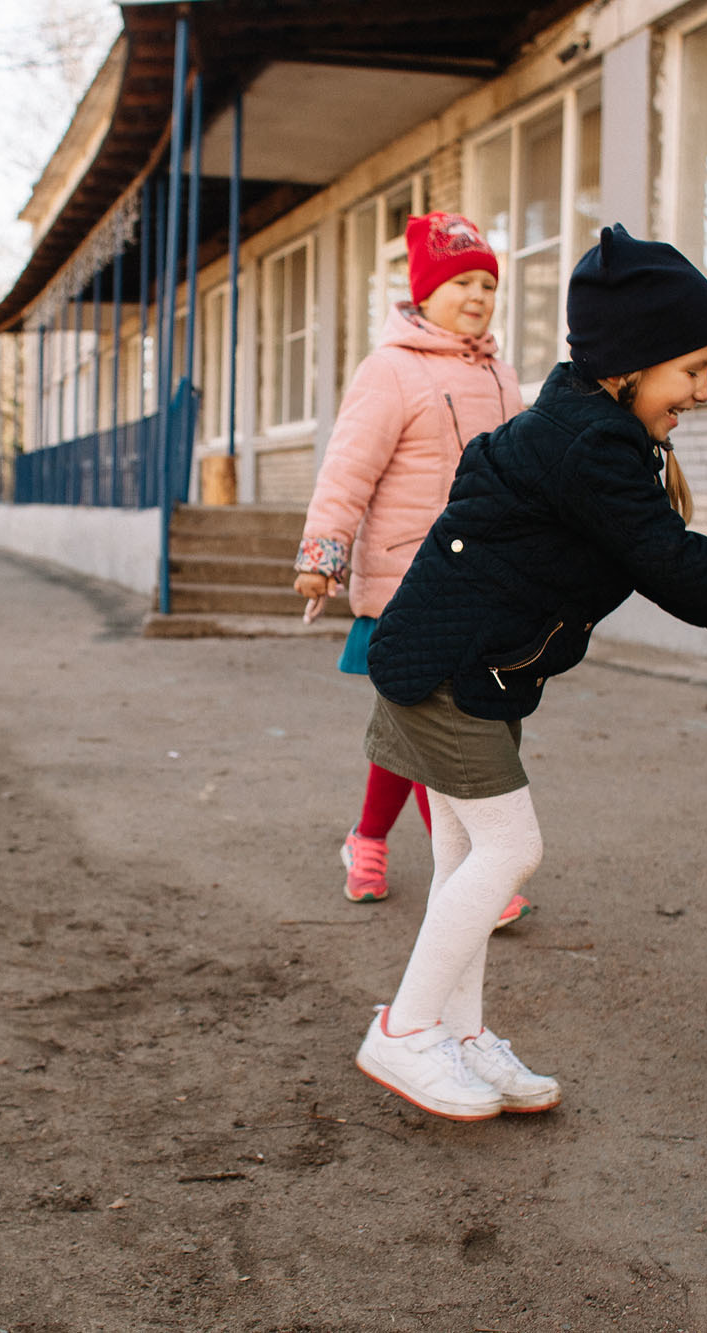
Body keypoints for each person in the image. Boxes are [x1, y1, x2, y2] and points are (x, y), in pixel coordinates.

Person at [353, 225, 707, 1121]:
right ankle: (406, 1028)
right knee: (510, 848)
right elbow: (676, 564)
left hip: (471, 668)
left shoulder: (588, 426)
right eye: (690, 369)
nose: (701, 388)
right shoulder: (591, 445)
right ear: (632, 363)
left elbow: (659, 566)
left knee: (466, 851)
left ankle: (458, 1034)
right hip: (449, 670)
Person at [293, 212, 531, 928]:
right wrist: (323, 554)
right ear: (423, 291)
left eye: (488, 283)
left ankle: (366, 839)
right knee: (436, 726)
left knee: (409, 728)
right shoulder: (389, 369)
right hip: (405, 582)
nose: (478, 296)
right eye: (462, 281)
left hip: (482, 583)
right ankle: (468, 872)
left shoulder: (501, 373)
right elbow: (347, 468)